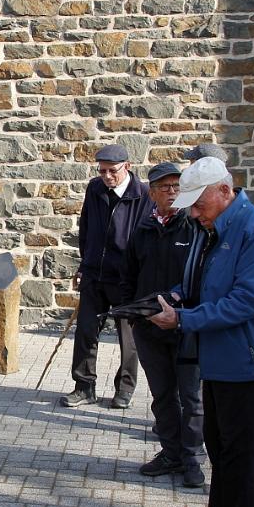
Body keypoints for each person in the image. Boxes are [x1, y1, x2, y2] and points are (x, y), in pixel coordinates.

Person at [149, 156, 254, 507]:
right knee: (217, 437)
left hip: (245, 356)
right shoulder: (211, 226)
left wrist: (184, 318)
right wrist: (177, 296)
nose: (193, 212)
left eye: (199, 204)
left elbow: (247, 300)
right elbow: (201, 280)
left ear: (225, 191)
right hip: (218, 351)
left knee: (240, 449)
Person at [121, 162, 205, 488]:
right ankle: (171, 453)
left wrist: (186, 314)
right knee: (163, 395)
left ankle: (192, 458)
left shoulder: (194, 227)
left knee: (192, 397)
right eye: (164, 187)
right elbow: (127, 274)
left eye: (176, 186)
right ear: (152, 192)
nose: (171, 192)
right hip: (149, 327)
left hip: (185, 326)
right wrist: (132, 312)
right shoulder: (142, 229)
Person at [61, 143, 150, 409]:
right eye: (102, 171)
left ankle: (124, 389)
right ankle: (84, 386)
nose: (107, 176)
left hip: (125, 279)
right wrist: (84, 263)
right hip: (94, 275)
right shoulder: (95, 188)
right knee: (86, 332)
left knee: (128, 339)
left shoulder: (143, 194)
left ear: (128, 167)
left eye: (113, 171)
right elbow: (86, 227)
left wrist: (137, 278)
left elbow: (144, 240)